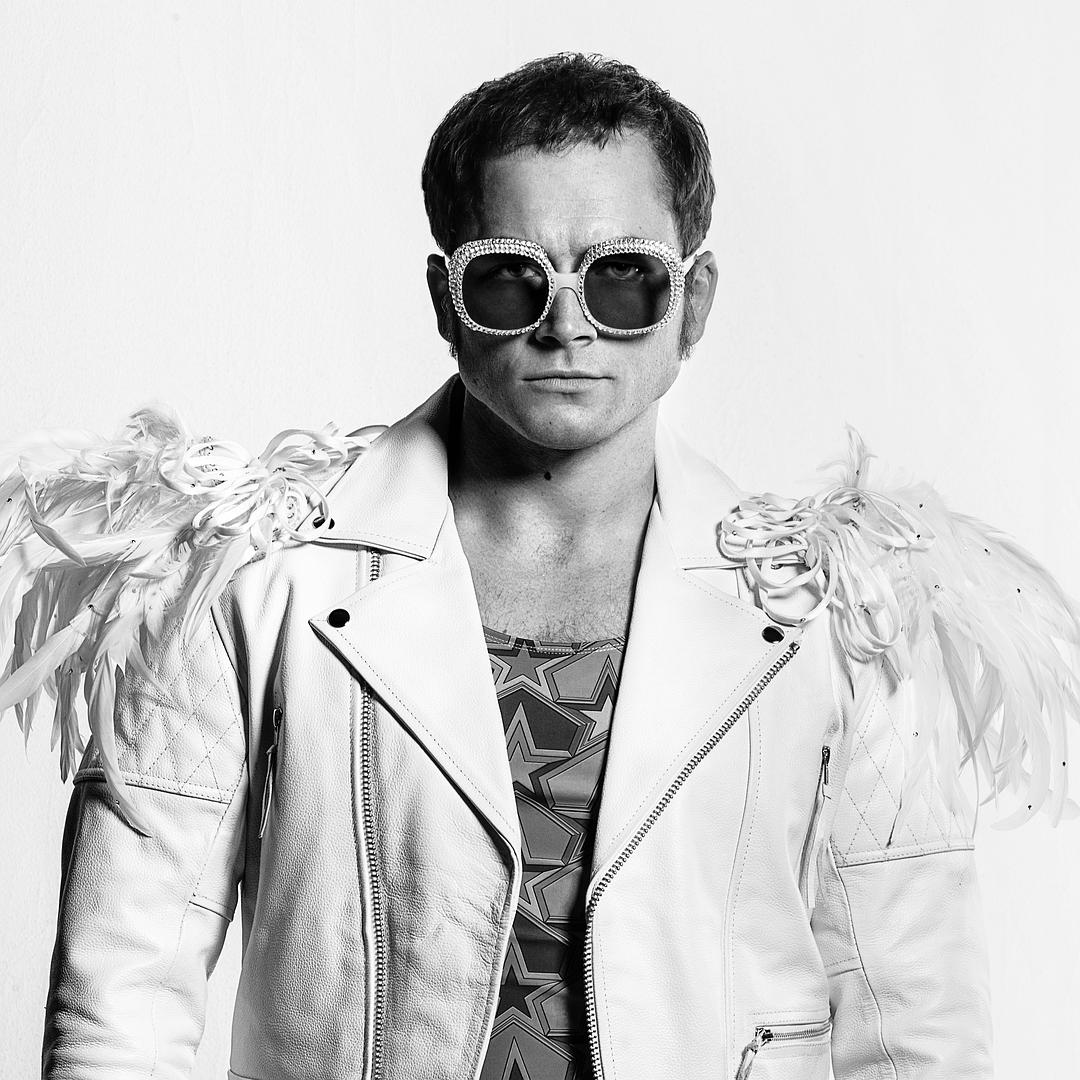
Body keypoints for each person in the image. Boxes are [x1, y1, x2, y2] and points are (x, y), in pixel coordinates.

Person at [3, 51, 1079, 1080]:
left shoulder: (844, 608)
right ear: (445, 302)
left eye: (624, 278)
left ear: (695, 302)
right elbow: (124, 993)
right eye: (511, 280)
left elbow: (913, 1024)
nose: (568, 325)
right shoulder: (243, 572)